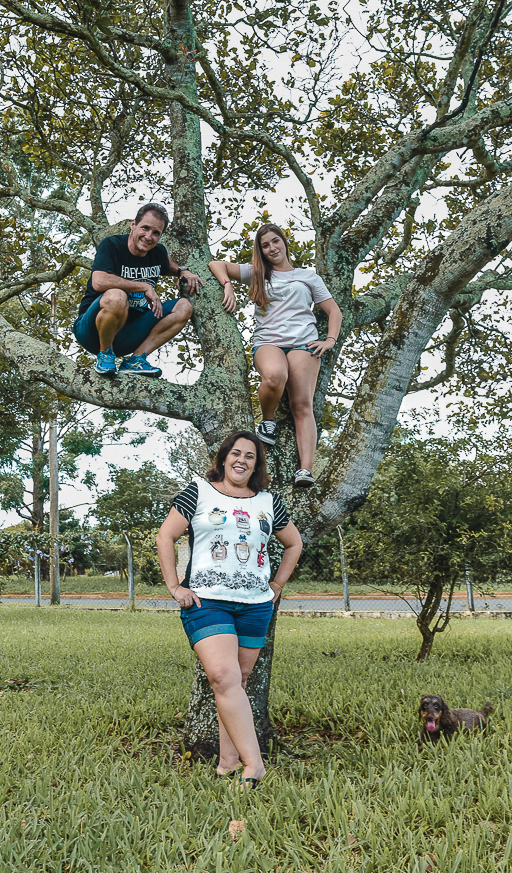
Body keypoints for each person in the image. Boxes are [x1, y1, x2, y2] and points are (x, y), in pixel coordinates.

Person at [156, 430, 303, 788]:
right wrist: (175, 586)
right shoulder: (198, 491)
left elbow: (294, 543)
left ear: (257, 464)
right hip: (207, 602)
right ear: (223, 459)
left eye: (249, 456)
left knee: (236, 683)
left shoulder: (268, 502)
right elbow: (166, 536)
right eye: (235, 453)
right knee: (223, 677)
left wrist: (277, 585)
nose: (241, 460)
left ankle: (228, 763)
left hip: (255, 605)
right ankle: (255, 765)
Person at [208, 224, 342, 488]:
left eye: (275, 242)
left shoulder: (308, 277)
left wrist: (329, 340)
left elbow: (334, 311)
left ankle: (305, 470)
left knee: (302, 405)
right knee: (274, 376)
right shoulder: (257, 273)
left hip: (305, 344)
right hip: (269, 341)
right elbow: (216, 264)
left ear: (284, 242)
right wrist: (228, 287)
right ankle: (267, 422)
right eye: (265, 246)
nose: (271, 249)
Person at [73, 202, 203, 378]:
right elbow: (99, 281)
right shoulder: (112, 245)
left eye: (156, 233)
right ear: (133, 225)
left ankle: (136, 359)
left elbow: (166, 263)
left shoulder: (157, 253)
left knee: (184, 307)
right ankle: (105, 354)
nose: (149, 237)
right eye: (145, 228)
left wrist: (182, 270)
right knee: (117, 296)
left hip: (129, 335)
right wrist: (144, 286)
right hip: (92, 331)